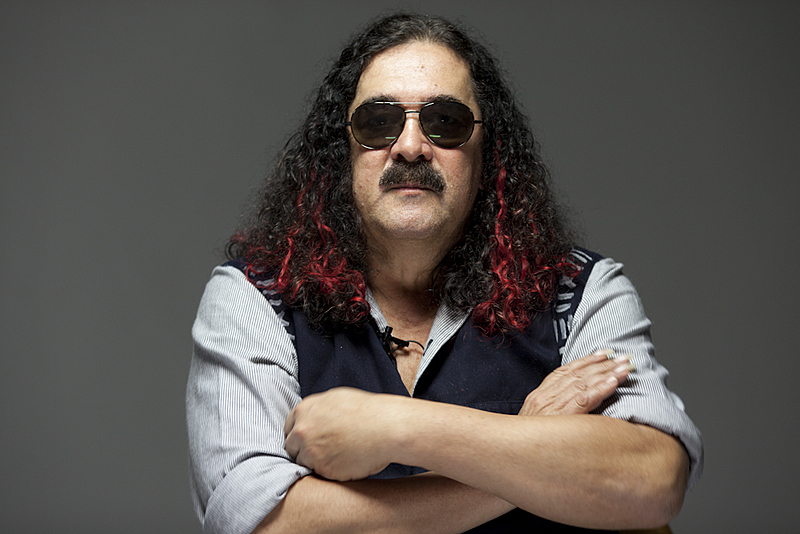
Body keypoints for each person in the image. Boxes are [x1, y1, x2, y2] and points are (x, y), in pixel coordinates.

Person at [186, 12, 702, 534]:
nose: (410, 146)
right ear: (342, 150)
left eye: (446, 122)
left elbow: (652, 481)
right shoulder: (254, 295)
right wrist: (526, 444)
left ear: (487, 153)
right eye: (378, 122)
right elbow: (258, 523)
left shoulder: (580, 291)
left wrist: (397, 428)